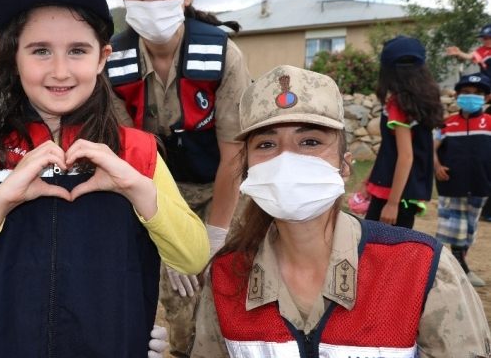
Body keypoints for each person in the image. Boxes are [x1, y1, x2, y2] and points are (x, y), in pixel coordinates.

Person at [0, 0, 209, 357]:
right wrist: (1, 199)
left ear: (102, 58)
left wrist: (140, 190)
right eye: (39, 51)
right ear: (14, 59)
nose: (59, 71)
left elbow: (192, 256)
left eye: (77, 51)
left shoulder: (138, 154)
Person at [191, 65, 491, 357]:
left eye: (310, 141)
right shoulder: (226, 277)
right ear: (248, 170)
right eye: (267, 144)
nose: (287, 159)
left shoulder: (422, 268)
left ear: (345, 166)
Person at [107, 0, 252, 354]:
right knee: (183, 308)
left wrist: (214, 235)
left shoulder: (223, 54)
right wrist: (169, 235)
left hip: (222, 194)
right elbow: (128, 158)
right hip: (158, 195)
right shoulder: (112, 64)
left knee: (234, 294)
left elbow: (234, 156)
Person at [364, 36, 445, 228]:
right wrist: (368, 179)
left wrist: (392, 204)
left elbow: (406, 156)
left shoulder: (398, 104)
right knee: (399, 247)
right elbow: (389, 149)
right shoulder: (423, 102)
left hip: (393, 192)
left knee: (372, 245)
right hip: (410, 190)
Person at [434, 72, 491, 287]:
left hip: (481, 184)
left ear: (486, 98)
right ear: (457, 96)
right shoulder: (447, 124)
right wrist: (437, 166)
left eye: (477, 93)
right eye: (466, 93)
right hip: (452, 184)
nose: (471, 97)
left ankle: (458, 263)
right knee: (454, 227)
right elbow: (433, 149)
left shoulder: (489, 123)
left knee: (469, 228)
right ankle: (461, 270)